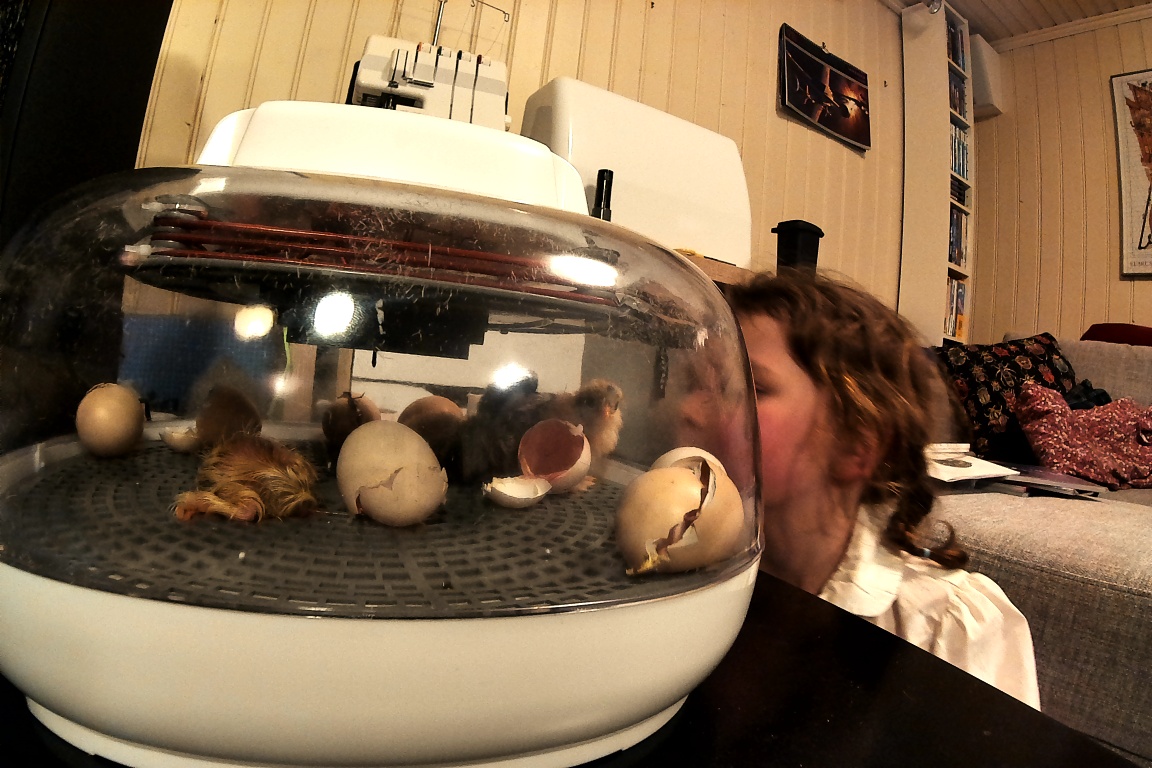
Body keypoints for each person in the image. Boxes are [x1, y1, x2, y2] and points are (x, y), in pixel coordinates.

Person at [724, 269, 1041, 709]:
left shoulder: (943, 625)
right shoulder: (697, 576)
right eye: (703, 383)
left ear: (857, 445)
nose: (691, 408)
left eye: (750, 386)